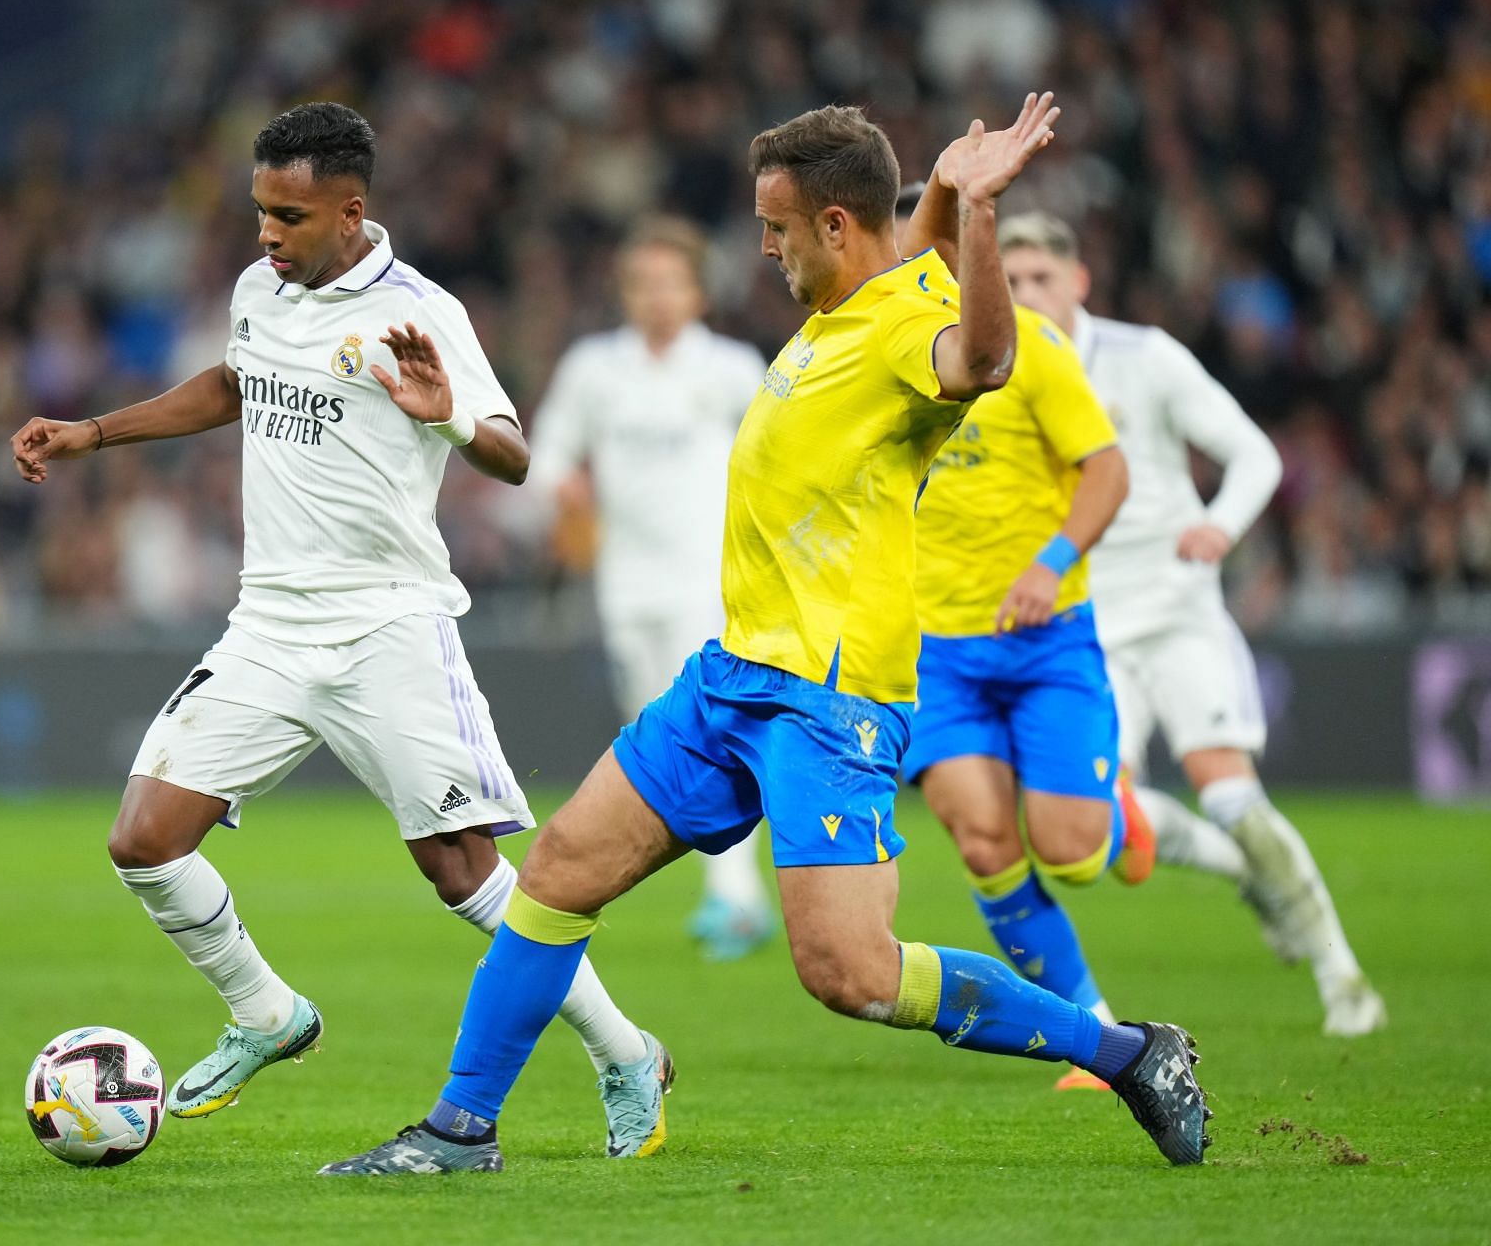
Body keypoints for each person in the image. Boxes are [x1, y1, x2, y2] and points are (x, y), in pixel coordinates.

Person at [323, 94, 1212, 1177]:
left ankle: (1127, 1051)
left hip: (829, 699)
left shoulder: (904, 333)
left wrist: (976, 213)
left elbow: (979, 358)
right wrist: (942, 189)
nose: (764, 246)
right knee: (555, 868)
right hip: (736, 671)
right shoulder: (870, 293)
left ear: (836, 226)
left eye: (778, 226)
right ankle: (460, 1126)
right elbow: (913, 245)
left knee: (852, 971)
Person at [8, 103, 667, 1155]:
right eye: (260, 209)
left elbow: (511, 452)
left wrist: (445, 408)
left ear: (350, 210)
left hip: (387, 625)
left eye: (289, 215)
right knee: (142, 839)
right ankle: (268, 1012)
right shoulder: (259, 289)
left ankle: (626, 1050)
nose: (266, 232)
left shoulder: (421, 309)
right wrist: (96, 431)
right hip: (268, 623)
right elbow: (235, 381)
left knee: (465, 873)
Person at [996, 212, 1386, 1038]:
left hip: (1176, 614)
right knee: (1093, 834)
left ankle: (1341, 974)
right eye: (1012, 279)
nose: (1027, 294)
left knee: (1234, 797)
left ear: (1079, 282)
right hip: (1082, 633)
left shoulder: (1146, 358)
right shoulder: (992, 372)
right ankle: (1245, 874)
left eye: (1040, 278)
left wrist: (1222, 524)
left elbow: (1256, 454)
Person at [893, 177, 1146, 1094]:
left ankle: (1114, 806)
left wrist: (1048, 564)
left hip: (1045, 640)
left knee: (1074, 852)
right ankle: (1099, 1034)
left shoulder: (1033, 348)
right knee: (984, 842)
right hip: (934, 654)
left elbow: (1108, 474)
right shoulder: (882, 350)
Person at [530, 215, 774, 962]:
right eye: (642, 284)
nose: (657, 298)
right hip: (625, 585)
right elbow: (544, 456)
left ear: (699, 291)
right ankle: (735, 896)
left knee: (714, 734)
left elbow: (775, 465)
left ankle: (736, 898)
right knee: (663, 741)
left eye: (671, 283)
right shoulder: (594, 370)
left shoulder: (734, 368)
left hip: (714, 580)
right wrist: (562, 488)